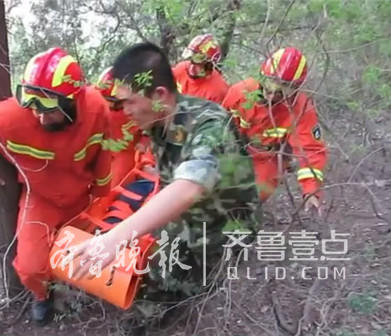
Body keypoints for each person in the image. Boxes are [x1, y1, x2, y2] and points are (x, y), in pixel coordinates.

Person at [67, 43, 259, 296]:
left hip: (222, 225)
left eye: (130, 103)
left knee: (171, 284)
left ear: (159, 95)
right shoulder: (157, 120)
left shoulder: (210, 124)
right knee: (153, 270)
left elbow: (189, 187)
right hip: (190, 214)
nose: (125, 112)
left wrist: (115, 238)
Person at [0, 47, 112, 325]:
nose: (39, 116)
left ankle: (75, 283)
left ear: (73, 100)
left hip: (80, 198)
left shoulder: (97, 109)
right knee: (29, 267)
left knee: (88, 256)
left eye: (49, 109)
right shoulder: (10, 118)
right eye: (33, 105)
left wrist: (101, 198)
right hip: (40, 200)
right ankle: (42, 295)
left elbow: (103, 156)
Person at [221, 47, 327, 213]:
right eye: (270, 87)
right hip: (236, 149)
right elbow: (220, 125)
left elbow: (311, 150)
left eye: (281, 92)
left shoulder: (301, 108)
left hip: (269, 159)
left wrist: (310, 190)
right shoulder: (240, 92)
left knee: (250, 199)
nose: (271, 96)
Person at [94, 67, 156, 186]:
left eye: (114, 102)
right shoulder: (96, 99)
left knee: (115, 187)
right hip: (103, 149)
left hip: (127, 152)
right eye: (106, 100)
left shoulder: (141, 106)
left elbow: (153, 127)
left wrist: (144, 143)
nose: (109, 105)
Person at [172, 34, 229, 103]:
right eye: (191, 59)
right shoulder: (181, 69)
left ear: (209, 65)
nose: (192, 66)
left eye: (198, 64)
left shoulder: (217, 91)